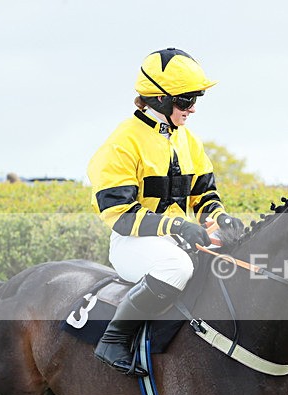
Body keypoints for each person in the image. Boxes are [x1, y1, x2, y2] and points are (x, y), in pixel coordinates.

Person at [87, 48, 243, 377]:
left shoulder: (188, 141)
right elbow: (120, 213)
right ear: (159, 99)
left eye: (196, 98)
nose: (193, 108)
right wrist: (175, 226)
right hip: (133, 243)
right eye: (186, 100)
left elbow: (205, 195)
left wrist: (219, 218)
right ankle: (114, 339)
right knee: (176, 266)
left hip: (176, 239)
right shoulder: (121, 143)